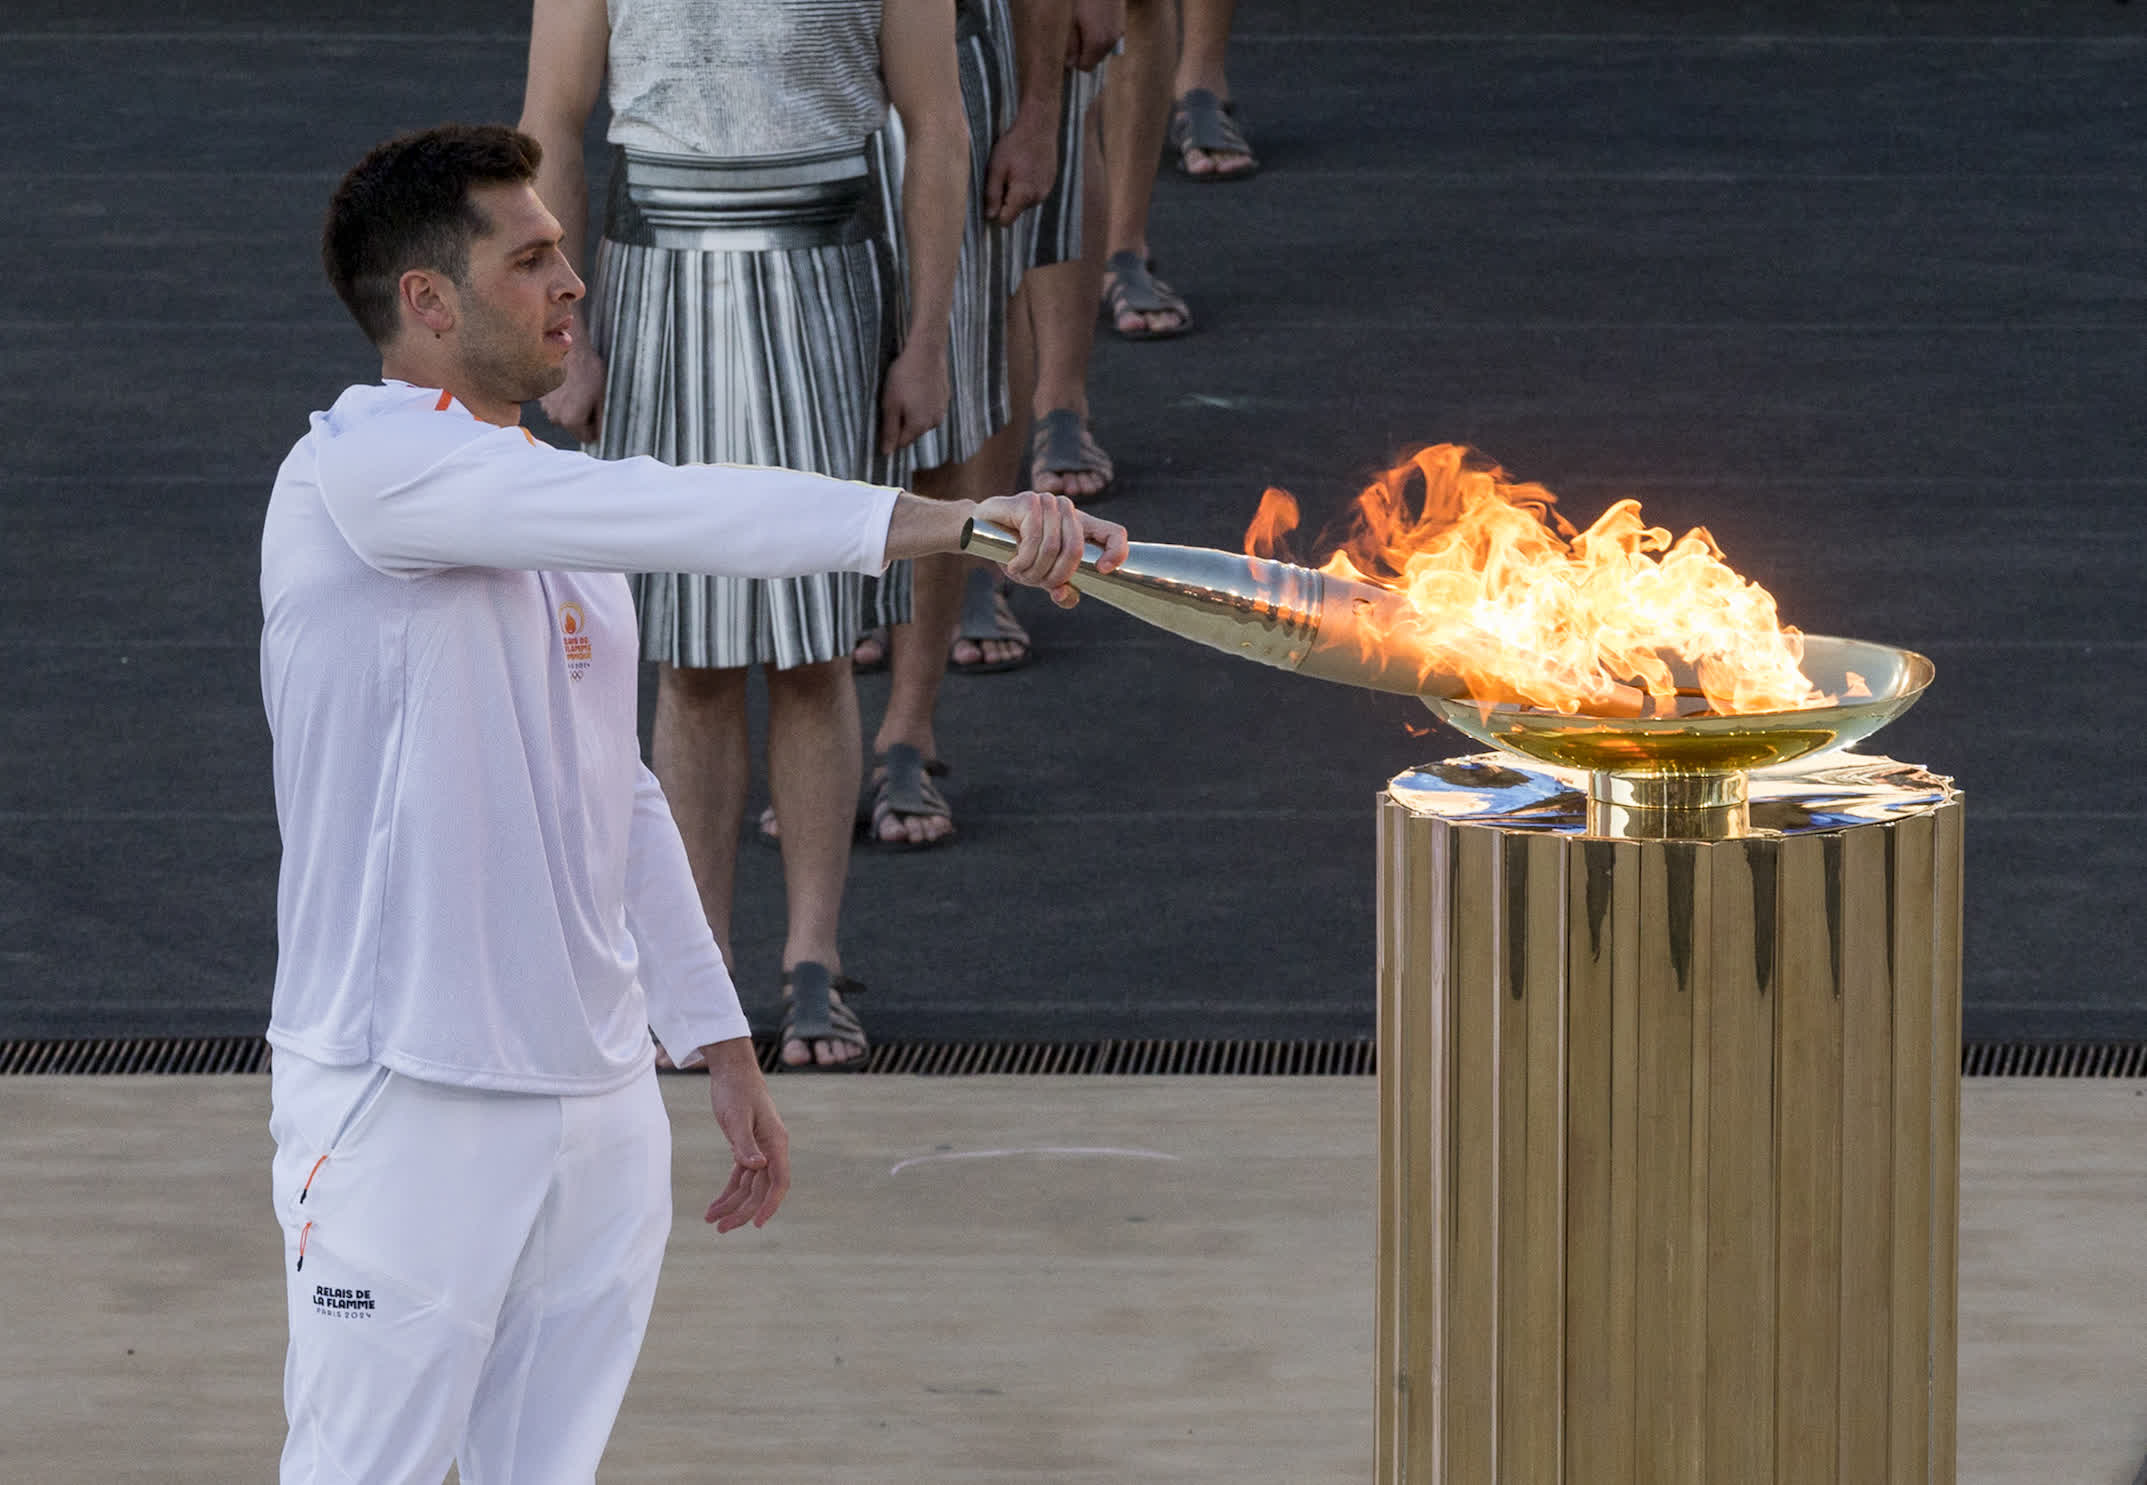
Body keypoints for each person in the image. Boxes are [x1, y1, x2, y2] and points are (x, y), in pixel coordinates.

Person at [262, 123, 1125, 1482]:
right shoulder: (363, 473)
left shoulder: (548, 508)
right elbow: (688, 511)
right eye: (531, 257)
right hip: (402, 1097)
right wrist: (954, 523)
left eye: (565, 252)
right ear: (425, 304)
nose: (572, 283)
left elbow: (620, 791)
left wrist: (716, 1047)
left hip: (595, 1102)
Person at [518, 0, 969, 1069]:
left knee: (813, 648)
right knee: (690, 660)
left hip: (823, 280)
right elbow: (551, 120)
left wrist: (929, 337)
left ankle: (811, 957)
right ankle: (698, 969)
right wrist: (560, 333)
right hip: (657, 280)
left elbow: (935, 120)